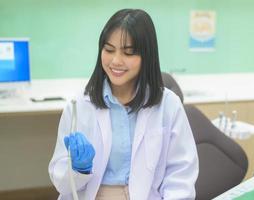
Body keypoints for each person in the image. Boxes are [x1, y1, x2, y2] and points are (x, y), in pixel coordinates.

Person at [49, 8, 198, 200]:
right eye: (109, 50)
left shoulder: (168, 105)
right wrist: (78, 169)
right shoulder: (79, 106)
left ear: (147, 56)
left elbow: (181, 175)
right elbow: (61, 182)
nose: (116, 61)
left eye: (128, 53)